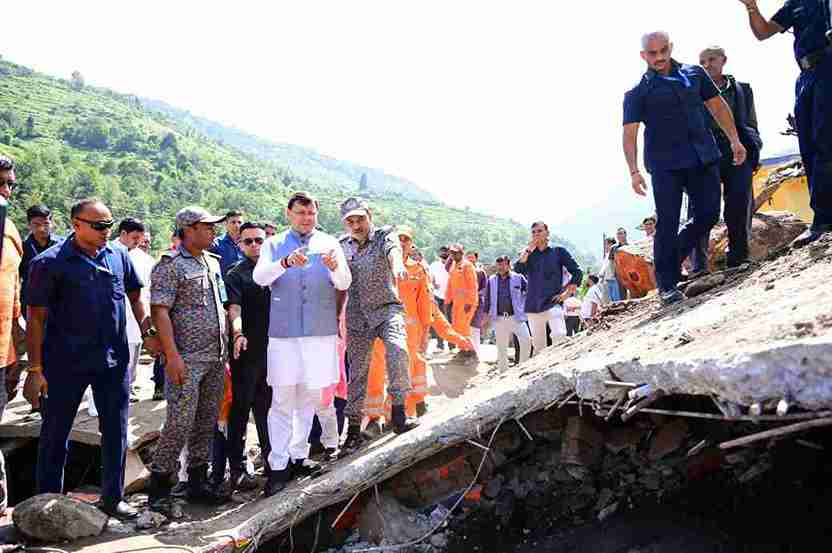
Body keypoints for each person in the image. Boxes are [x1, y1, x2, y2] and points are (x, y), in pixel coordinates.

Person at [24, 198, 159, 520]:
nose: (105, 231)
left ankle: (113, 498)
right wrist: (34, 369)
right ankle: (48, 505)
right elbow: (36, 318)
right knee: (55, 433)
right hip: (64, 363)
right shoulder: (49, 263)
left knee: (116, 431)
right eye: (98, 226)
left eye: (109, 225)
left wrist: (148, 330)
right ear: (76, 225)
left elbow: (135, 297)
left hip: (113, 362)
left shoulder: (118, 256)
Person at [622, 31, 747, 305]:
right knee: (667, 222)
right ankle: (667, 285)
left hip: (703, 157)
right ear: (643, 55)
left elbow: (717, 106)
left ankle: (670, 258)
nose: (659, 57)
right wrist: (633, 171)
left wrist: (735, 139)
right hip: (665, 166)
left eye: (663, 50)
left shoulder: (695, 74)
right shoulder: (637, 92)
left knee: (709, 213)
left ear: (671, 47)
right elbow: (629, 133)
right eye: (652, 53)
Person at [253, 192, 351, 496]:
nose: (306, 218)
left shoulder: (330, 243)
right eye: (301, 212)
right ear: (289, 213)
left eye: (311, 213)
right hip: (284, 335)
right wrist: (284, 263)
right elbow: (260, 277)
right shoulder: (273, 244)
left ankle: (298, 455)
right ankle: (278, 465)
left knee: (309, 397)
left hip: (320, 333)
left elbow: (344, 282)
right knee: (282, 399)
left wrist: (334, 267)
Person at [147, 206, 229, 517]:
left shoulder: (212, 262)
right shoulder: (170, 265)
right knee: (179, 423)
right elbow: (160, 311)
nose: (213, 231)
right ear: (189, 229)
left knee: (206, 422)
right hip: (187, 359)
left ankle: (197, 481)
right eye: (207, 226)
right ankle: (159, 487)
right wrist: (172, 356)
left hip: (215, 357)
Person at [737, 0, 831, 248]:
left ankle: (824, 219)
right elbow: (763, 32)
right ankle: (822, 218)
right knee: (809, 147)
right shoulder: (796, 3)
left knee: (826, 142)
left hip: (829, 68)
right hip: (806, 75)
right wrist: (751, 7)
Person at [340, 197, 417, 452]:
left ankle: (399, 413)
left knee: (398, 351)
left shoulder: (384, 236)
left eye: (360, 219)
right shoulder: (342, 246)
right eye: (351, 221)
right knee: (358, 373)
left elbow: (393, 252)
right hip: (357, 317)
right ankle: (353, 430)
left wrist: (398, 267)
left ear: (369, 216)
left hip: (387, 309)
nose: (356, 225)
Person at [688, 45, 761, 270]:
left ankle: (739, 257)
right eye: (702, 62)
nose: (707, 65)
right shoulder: (691, 92)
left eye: (711, 59)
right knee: (700, 208)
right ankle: (699, 266)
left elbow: (750, 122)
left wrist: (753, 151)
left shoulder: (741, 89)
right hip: (704, 154)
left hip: (736, 149)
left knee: (739, 203)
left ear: (723, 60)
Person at [224, 222, 272, 492]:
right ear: (239, 244)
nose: (254, 245)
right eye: (248, 241)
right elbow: (235, 308)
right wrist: (238, 333)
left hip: (274, 351)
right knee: (240, 410)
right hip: (245, 352)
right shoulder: (236, 274)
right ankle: (238, 470)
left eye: (259, 240)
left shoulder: (277, 270)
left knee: (269, 409)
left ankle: (273, 461)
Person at [514, 222, 582, 355]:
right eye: (533, 232)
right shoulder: (529, 255)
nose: (536, 234)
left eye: (539, 231)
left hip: (553, 302)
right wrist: (528, 250)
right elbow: (518, 269)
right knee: (539, 347)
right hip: (533, 305)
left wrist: (567, 293)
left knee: (559, 335)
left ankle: (561, 363)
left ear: (547, 233)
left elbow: (577, 272)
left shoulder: (558, 251)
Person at [0, 157, 23, 516]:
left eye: (10, 184)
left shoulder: (10, 231)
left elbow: (15, 296)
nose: (5, 191)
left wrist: (21, 357)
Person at [112, 218, 151, 403]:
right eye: (135, 238)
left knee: (133, 355)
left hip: (137, 316)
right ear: (123, 234)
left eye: (140, 239)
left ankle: (128, 388)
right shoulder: (108, 252)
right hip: (114, 316)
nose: (138, 242)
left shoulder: (143, 258)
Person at [483, 255, 530, 372]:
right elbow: (487, 299)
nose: (500, 267)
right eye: (498, 265)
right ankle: (503, 372)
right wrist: (485, 318)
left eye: (503, 265)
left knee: (526, 340)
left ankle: (523, 367)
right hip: (499, 318)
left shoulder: (518, 278)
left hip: (516, 316)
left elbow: (529, 292)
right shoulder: (491, 280)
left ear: (509, 265)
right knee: (501, 347)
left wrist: (524, 306)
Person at [20, 205, 60, 318]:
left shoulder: (62, 246)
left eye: (46, 224)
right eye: (36, 224)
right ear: (29, 225)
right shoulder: (21, 248)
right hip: (30, 304)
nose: (42, 228)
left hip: (58, 304)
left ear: (51, 223)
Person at [445, 244, 479, 364]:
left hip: (467, 303)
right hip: (457, 302)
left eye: (456, 253)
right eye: (452, 253)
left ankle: (471, 353)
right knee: (457, 327)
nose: (454, 255)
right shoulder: (453, 266)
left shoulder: (467, 266)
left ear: (461, 253)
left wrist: (469, 302)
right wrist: (447, 301)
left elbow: (473, 285)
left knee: (464, 328)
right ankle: (463, 351)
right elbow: (450, 285)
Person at [429, 246, 451, 351]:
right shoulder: (434, 265)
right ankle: (440, 344)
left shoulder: (453, 265)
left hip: (450, 297)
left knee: (450, 321)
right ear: (438, 253)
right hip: (437, 296)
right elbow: (429, 277)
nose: (444, 253)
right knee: (438, 321)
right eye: (442, 252)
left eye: (446, 252)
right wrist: (433, 283)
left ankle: (452, 345)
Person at [210, 209, 245, 277]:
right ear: (226, 224)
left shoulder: (249, 242)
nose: (237, 225)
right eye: (233, 222)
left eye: (239, 222)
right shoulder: (217, 243)